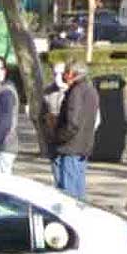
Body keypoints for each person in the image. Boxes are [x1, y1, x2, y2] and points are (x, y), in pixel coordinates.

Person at [51, 60, 99, 200]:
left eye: (66, 72)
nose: (64, 76)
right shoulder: (90, 90)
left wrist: (59, 137)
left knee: (68, 194)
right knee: (78, 192)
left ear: (72, 74)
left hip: (70, 147)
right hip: (82, 146)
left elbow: (73, 122)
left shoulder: (76, 91)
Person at [42, 61, 68, 144]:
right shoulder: (48, 90)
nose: (58, 77)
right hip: (52, 134)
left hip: (67, 135)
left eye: (61, 73)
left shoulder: (74, 89)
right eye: (55, 74)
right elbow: (44, 110)